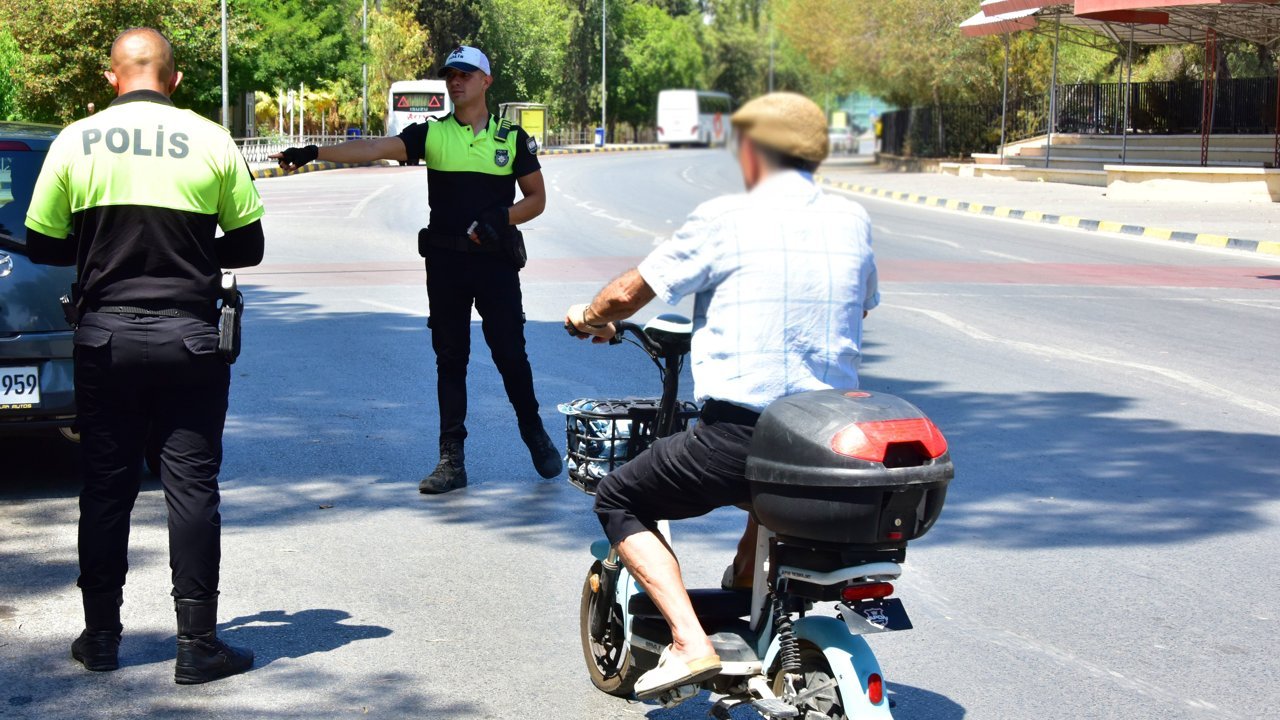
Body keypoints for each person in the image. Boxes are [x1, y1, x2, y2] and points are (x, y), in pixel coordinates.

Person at [565, 92, 880, 699]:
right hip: (831, 440)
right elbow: (860, 305)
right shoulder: (852, 219)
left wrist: (588, 315)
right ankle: (748, 600)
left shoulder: (725, 217)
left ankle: (690, 641)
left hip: (740, 437)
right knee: (772, 491)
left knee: (619, 495)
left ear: (754, 152)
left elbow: (629, 294)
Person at [24, 28, 263, 683]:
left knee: (106, 488)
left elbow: (41, 243)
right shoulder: (211, 139)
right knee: (191, 488)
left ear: (112, 77)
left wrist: (100, 251)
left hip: (104, 339)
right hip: (191, 338)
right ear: (174, 79)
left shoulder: (76, 140)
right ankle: (198, 645)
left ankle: (101, 638)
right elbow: (249, 246)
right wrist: (189, 256)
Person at [271, 45, 559, 494]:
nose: (455, 82)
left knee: (510, 354)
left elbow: (536, 199)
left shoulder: (511, 139)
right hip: (446, 265)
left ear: (486, 80)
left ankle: (533, 430)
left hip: (495, 265)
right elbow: (373, 147)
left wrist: (501, 218)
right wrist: (314, 150)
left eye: (465, 74)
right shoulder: (432, 134)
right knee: (451, 359)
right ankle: (451, 460)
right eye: (450, 75)